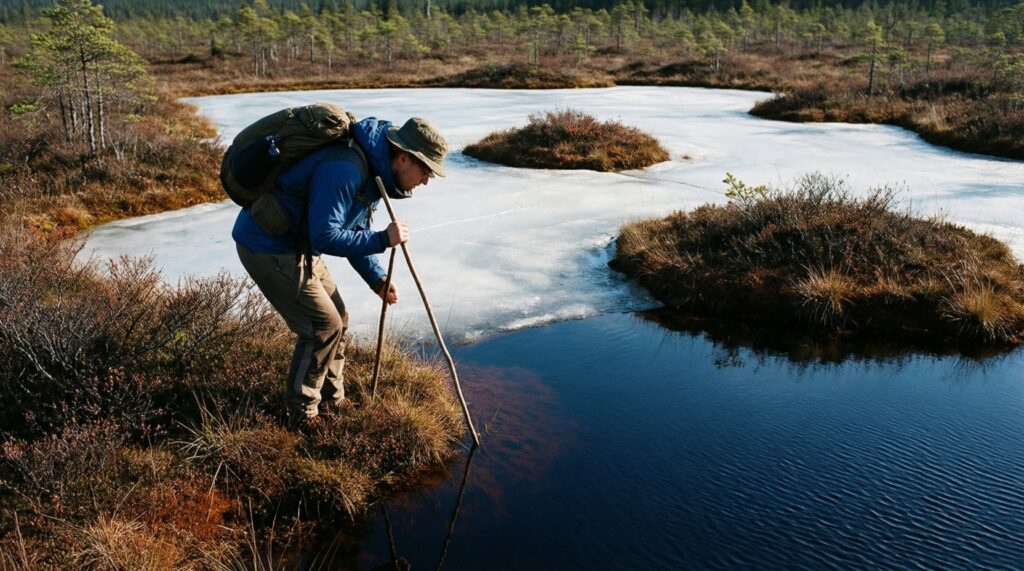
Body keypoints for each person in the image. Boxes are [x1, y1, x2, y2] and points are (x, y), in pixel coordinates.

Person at [232, 115, 448, 425]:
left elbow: (353, 228)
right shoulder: (346, 167)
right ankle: (302, 413)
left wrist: (376, 278)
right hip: (268, 245)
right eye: (425, 170)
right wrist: (382, 239)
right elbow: (326, 234)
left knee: (339, 319)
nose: (426, 181)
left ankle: (333, 402)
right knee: (322, 326)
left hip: (300, 245)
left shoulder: (373, 170)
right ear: (403, 157)